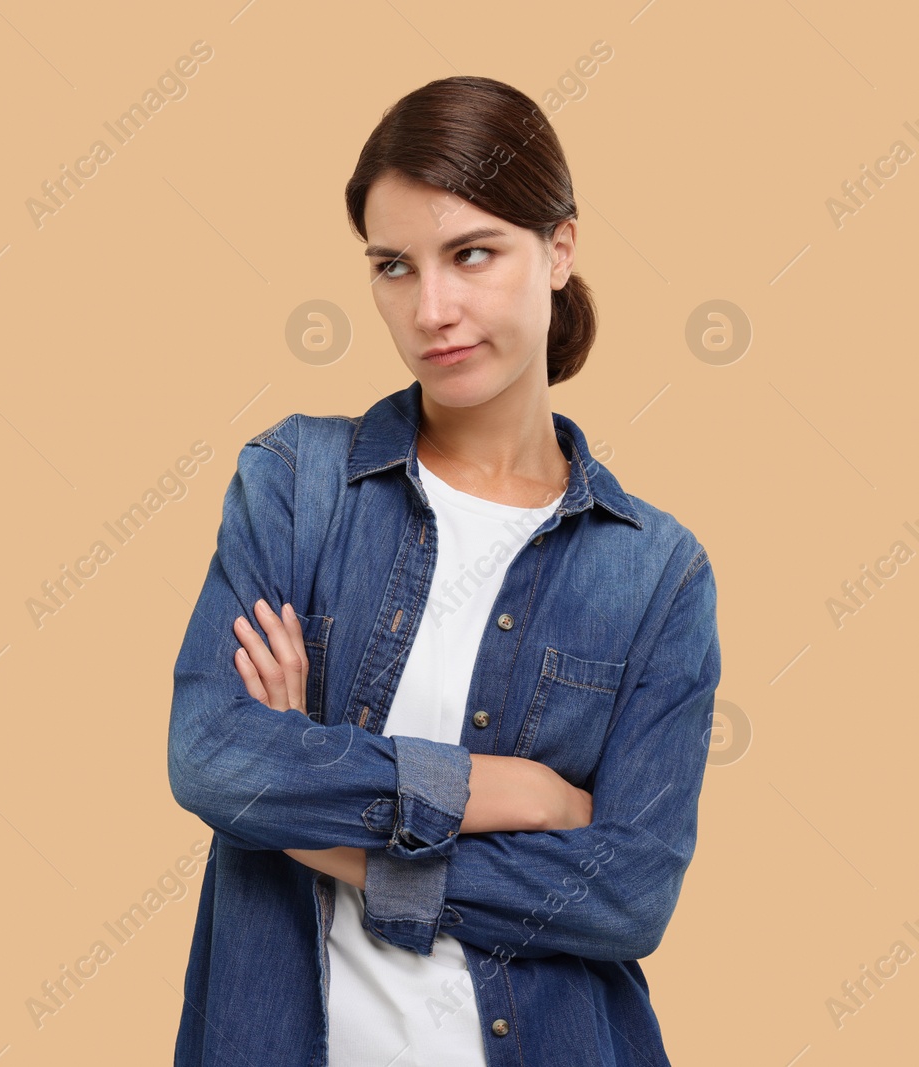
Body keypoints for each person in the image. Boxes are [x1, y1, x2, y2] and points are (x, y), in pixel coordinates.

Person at [167, 75, 721, 1066]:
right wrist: (517, 792)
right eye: (393, 265)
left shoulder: (654, 573)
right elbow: (213, 756)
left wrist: (313, 825)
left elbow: (628, 893)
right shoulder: (299, 484)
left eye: (471, 254)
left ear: (558, 248)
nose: (431, 308)